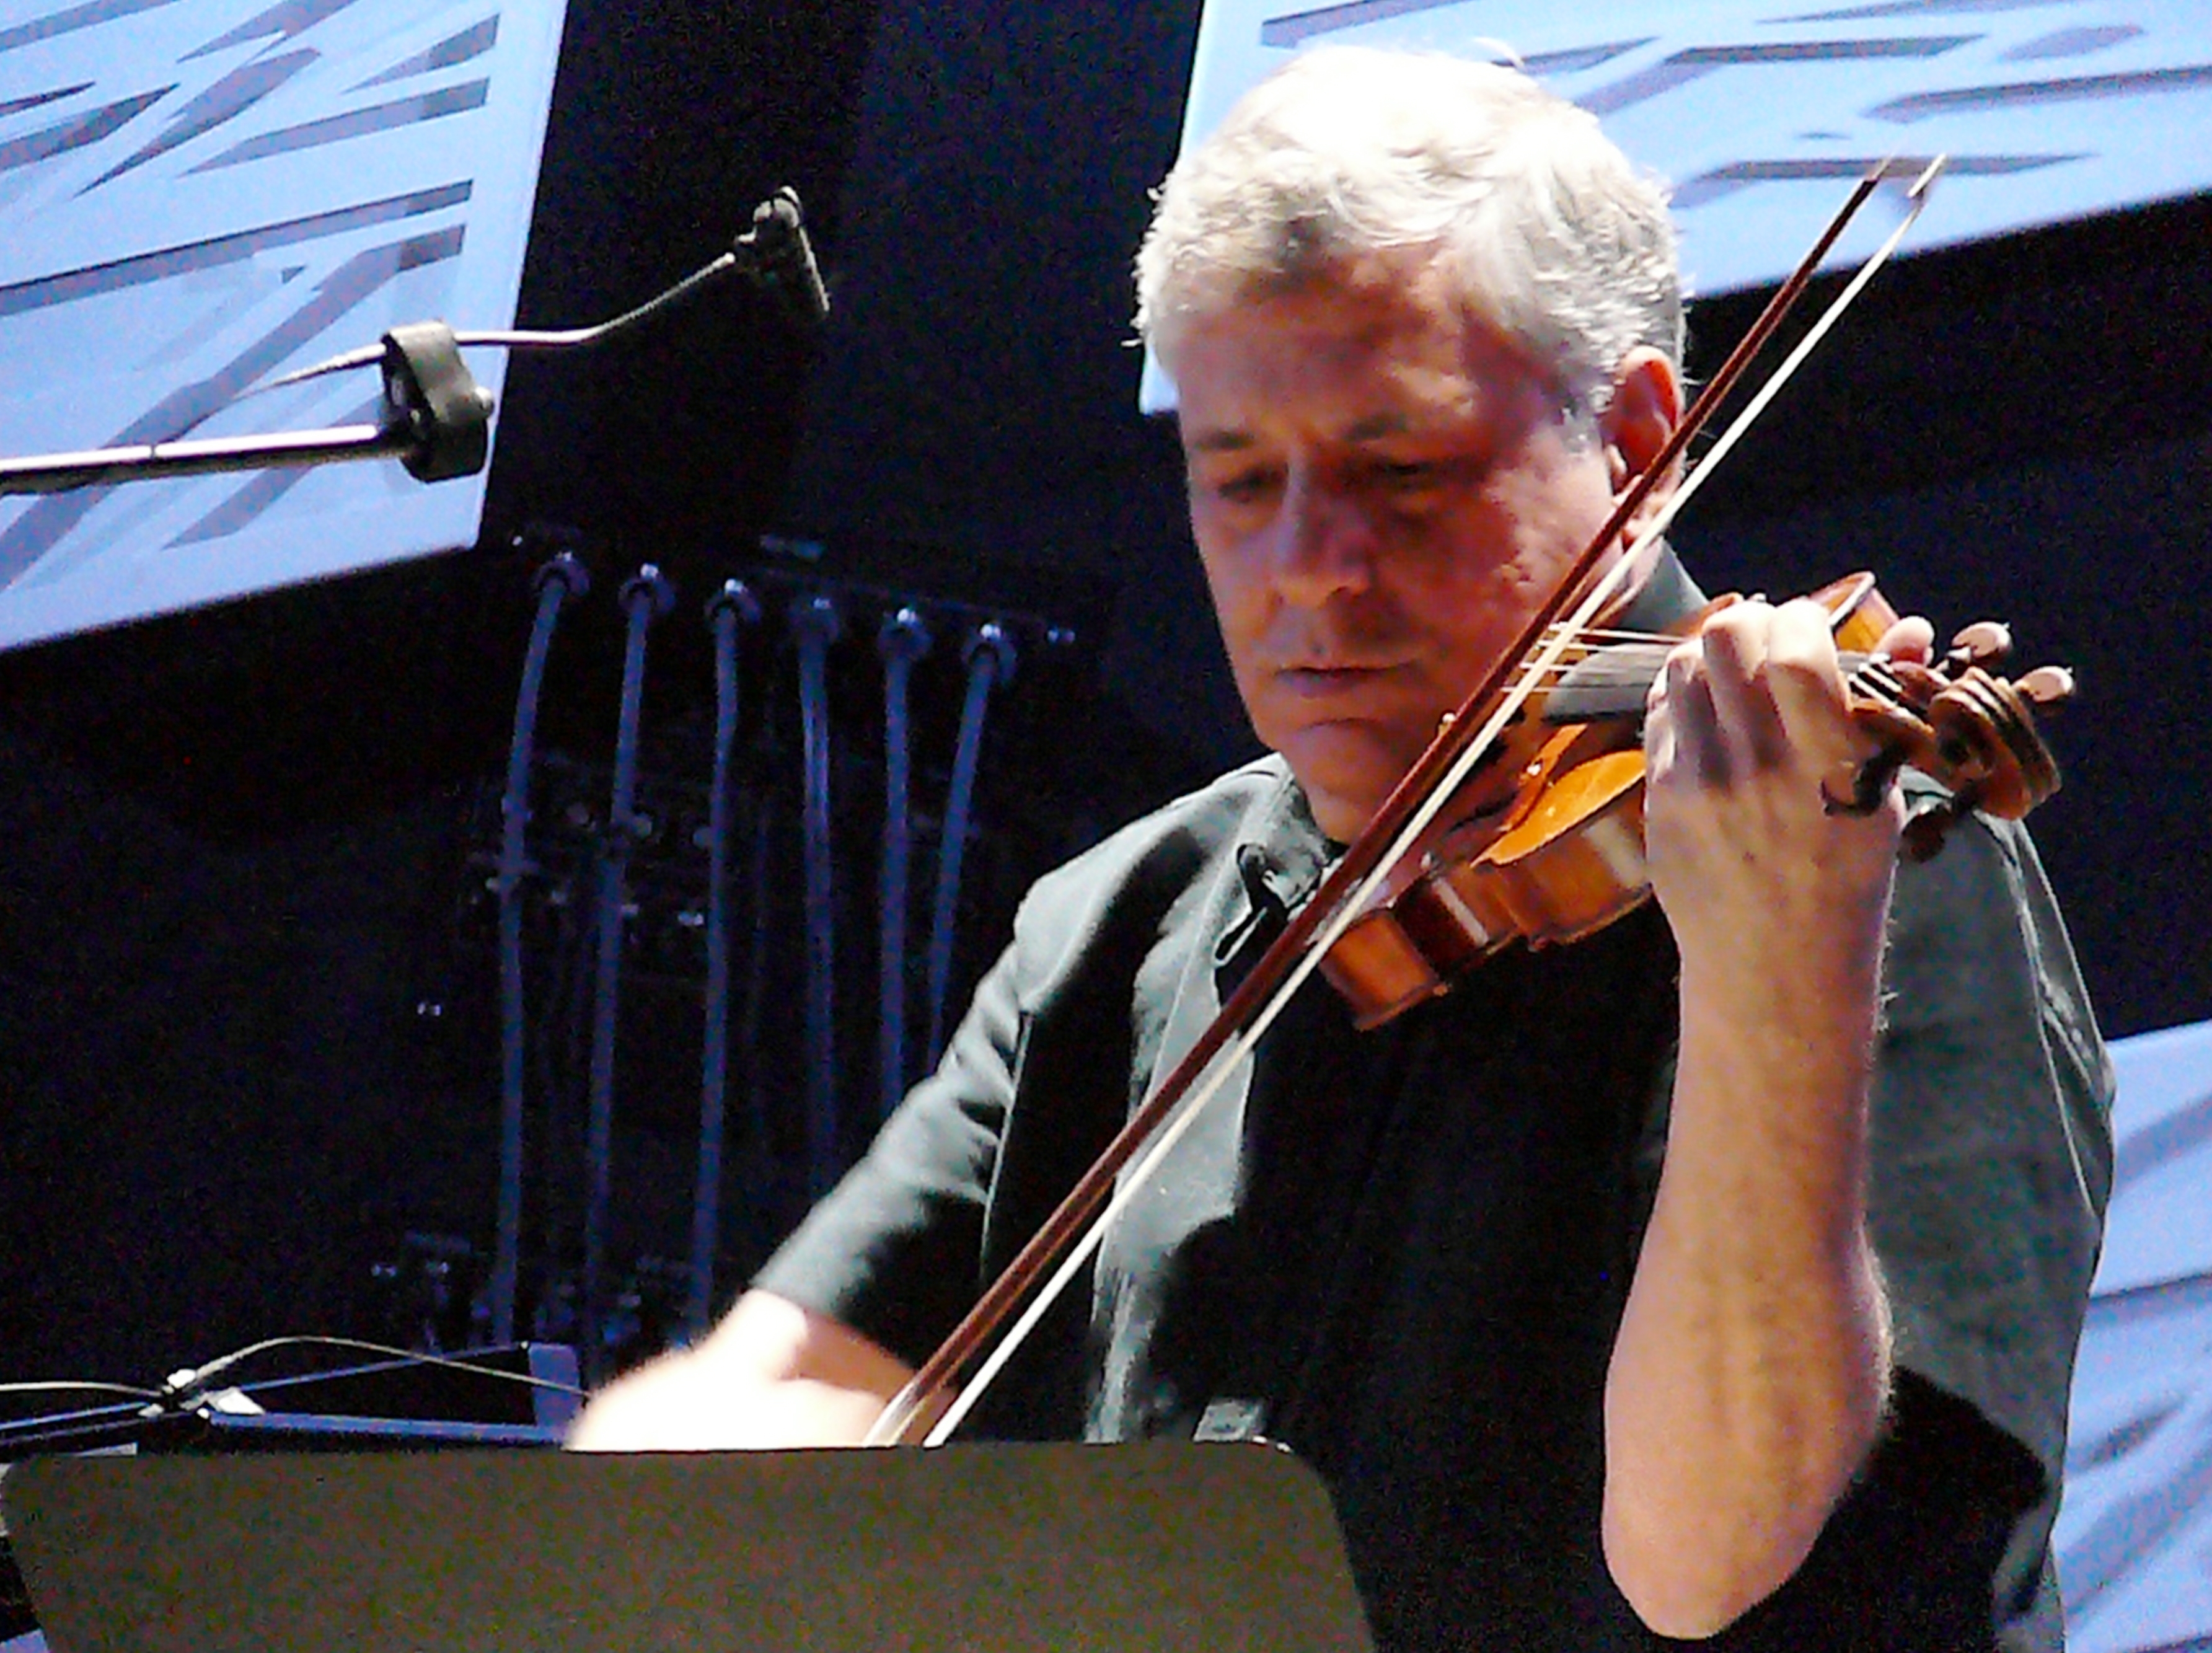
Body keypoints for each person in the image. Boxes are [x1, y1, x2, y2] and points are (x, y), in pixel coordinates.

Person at [569, 47, 2112, 1652]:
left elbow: (1701, 1557)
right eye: (1238, 481)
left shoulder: (1877, 854)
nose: (1305, 570)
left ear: (1643, 441)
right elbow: (739, 1402)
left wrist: (1773, 967)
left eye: (1400, 471)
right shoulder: (1129, 914)